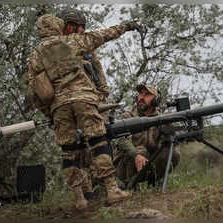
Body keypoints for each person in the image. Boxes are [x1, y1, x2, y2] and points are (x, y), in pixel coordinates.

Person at [25, 9, 141, 210]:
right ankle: (113, 190)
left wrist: (50, 113)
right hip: (83, 98)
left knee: (68, 152)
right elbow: (103, 35)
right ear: (57, 27)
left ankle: (80, 199)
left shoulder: (35, 56)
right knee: (98, 142)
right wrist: (126, 26)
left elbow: (35, 91)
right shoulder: (70, 42)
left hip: (58, 106)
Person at [114, 84, 180, 188]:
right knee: (141, 151)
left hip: (149, 162)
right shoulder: (128, 116)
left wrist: (169, 130)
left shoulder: (162, 117)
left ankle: (155, 183)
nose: (141, 97)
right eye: (140, 94)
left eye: (147, 95)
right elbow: (121, 140)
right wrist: (136, 155)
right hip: (125, 164)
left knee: (173, 153)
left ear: (156, 100)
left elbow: (171, 141)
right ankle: (130, 186)